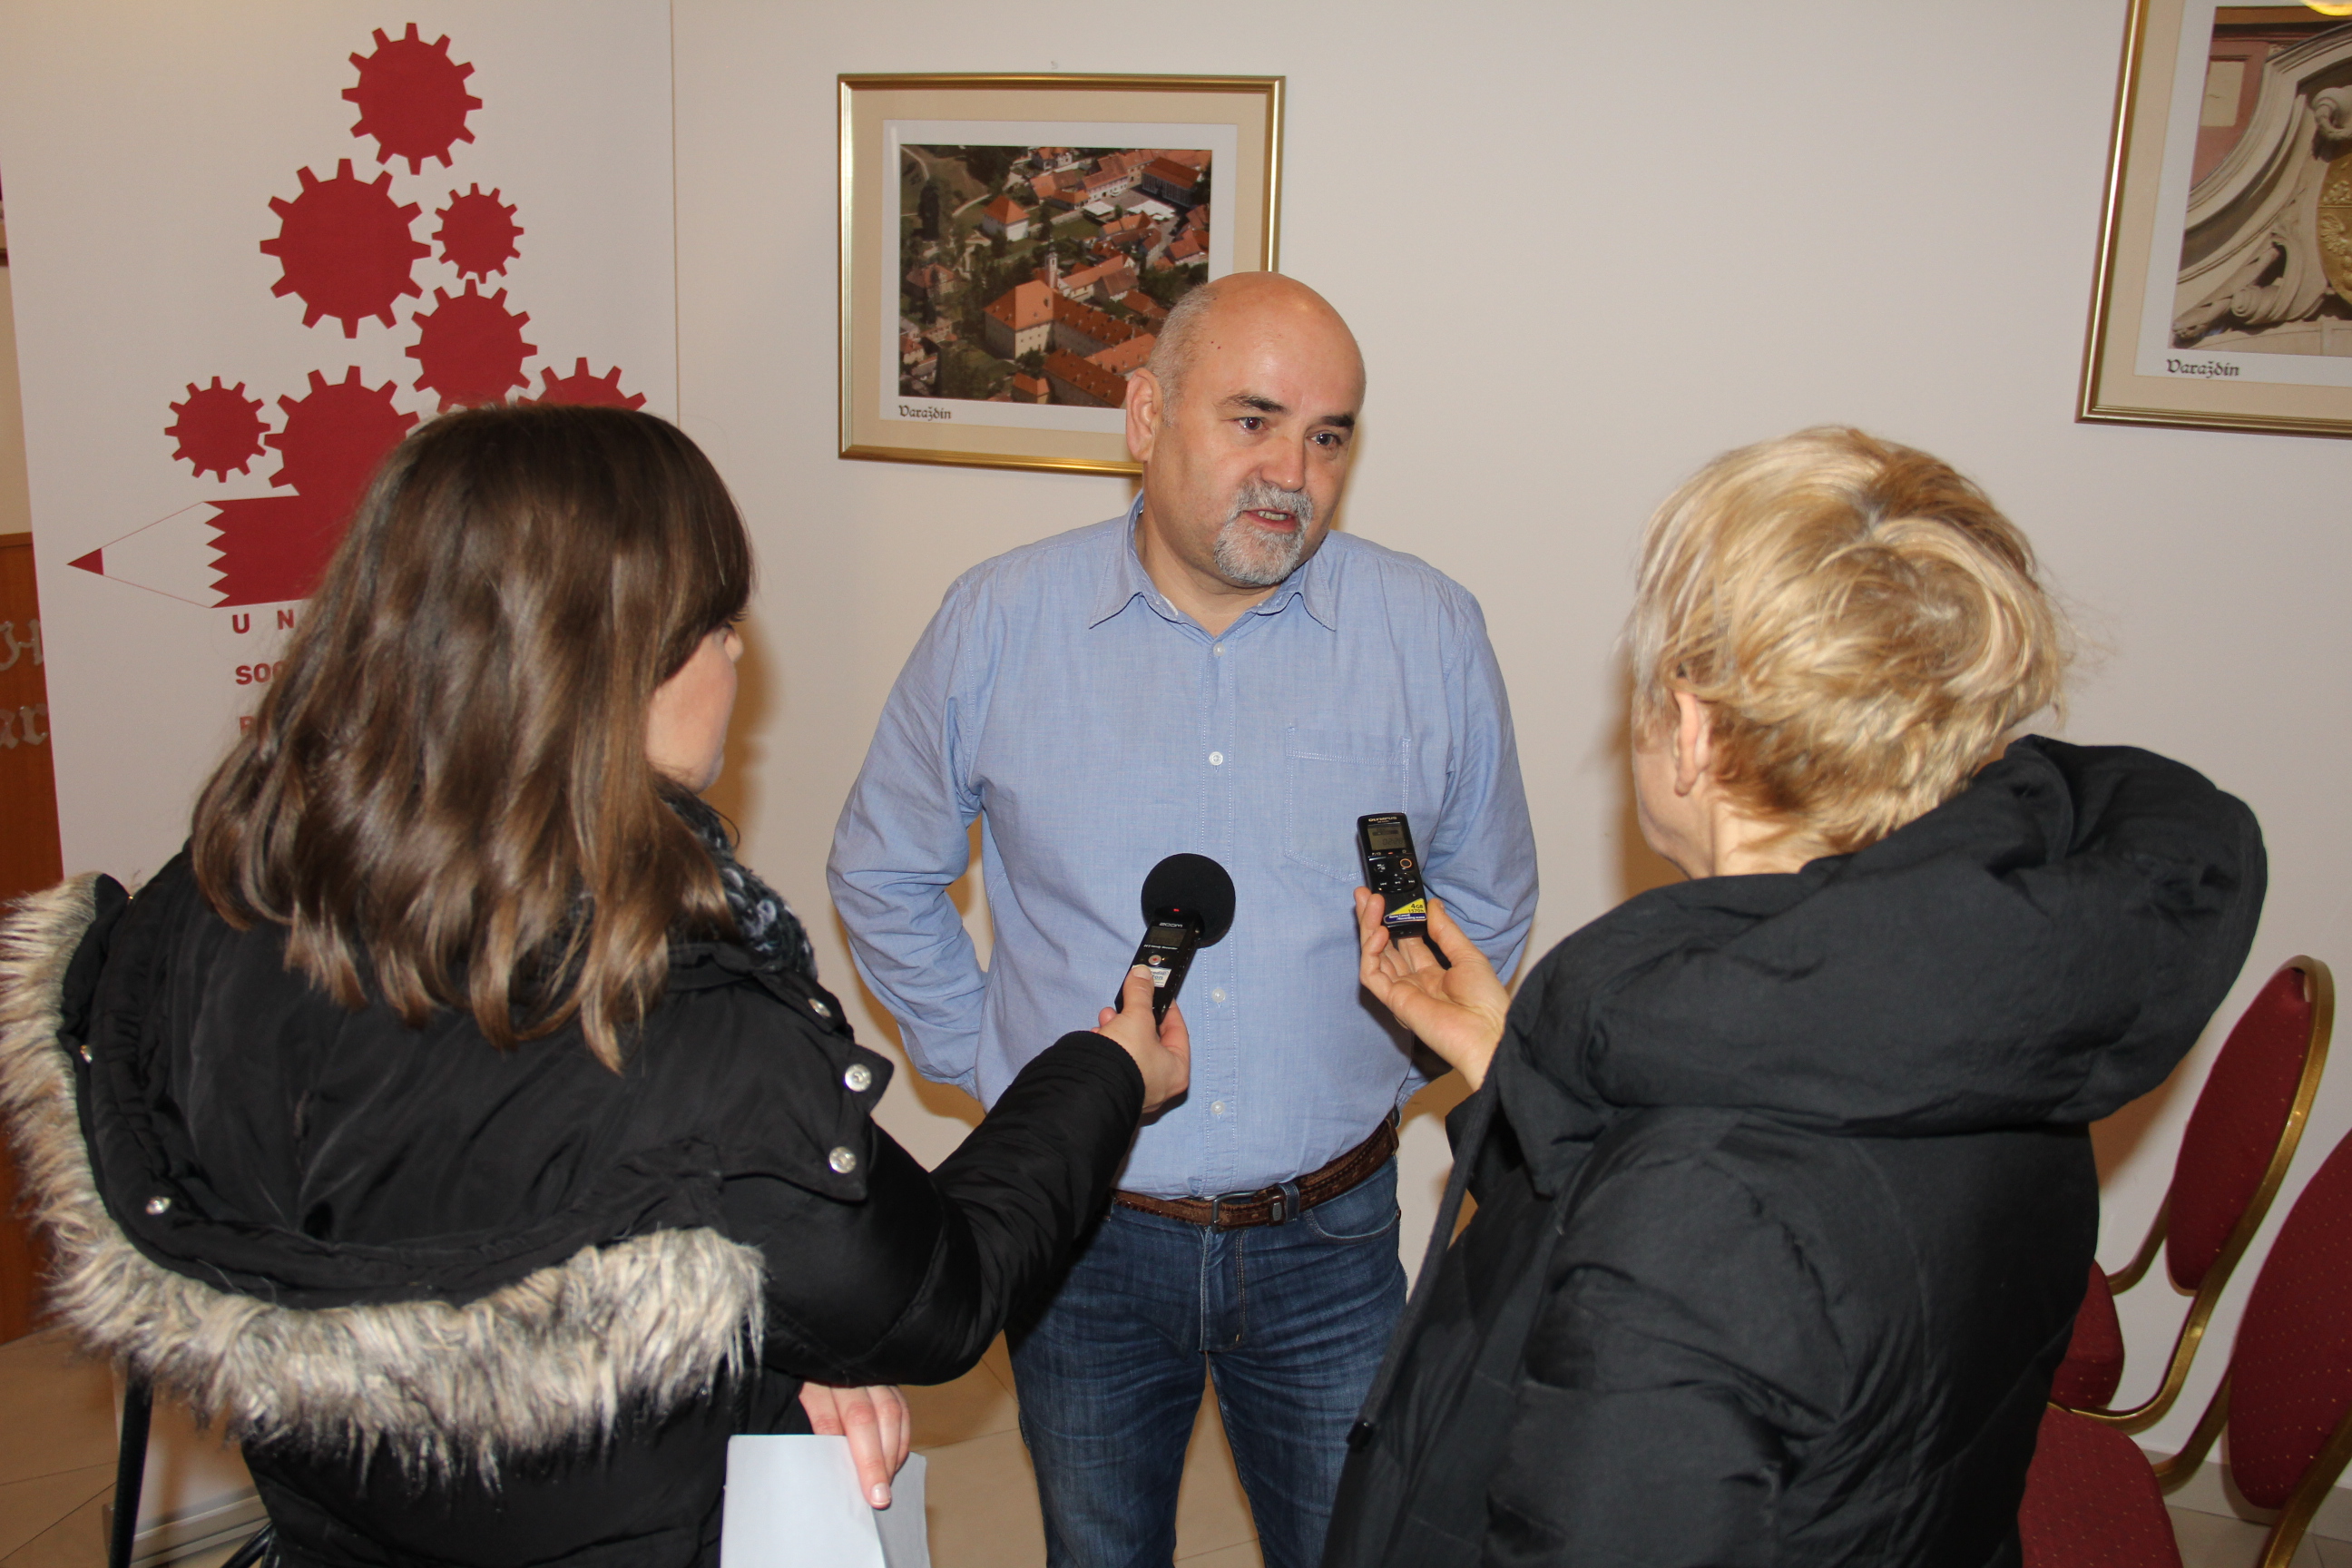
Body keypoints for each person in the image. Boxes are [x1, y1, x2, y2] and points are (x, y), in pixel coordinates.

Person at [0, 405, 1189, 1568]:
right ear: (610, 661)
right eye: (715, 624)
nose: (738, 655)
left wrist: (778, 1325)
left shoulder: (211, 902)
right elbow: (934, 1297)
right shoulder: (676, 1029)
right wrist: (1104, 1074)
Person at [1324, 427, 2265, 1567]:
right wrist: (1507, 1063)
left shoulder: (1700, 1217)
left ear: (1694, 734)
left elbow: (1702, 1259)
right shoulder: (2002, 1014)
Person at [828, 272, 1539, 1568]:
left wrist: (1390, 1063)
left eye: (1328, 436)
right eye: (1253, 420)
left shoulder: (1428, 632)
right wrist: (997, 1068)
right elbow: (884, 873)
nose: (1293, 474)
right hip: (1083, 1238)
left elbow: (1487, 893)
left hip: (1331, 1235)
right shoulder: (999, 621)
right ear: (1146, 418)